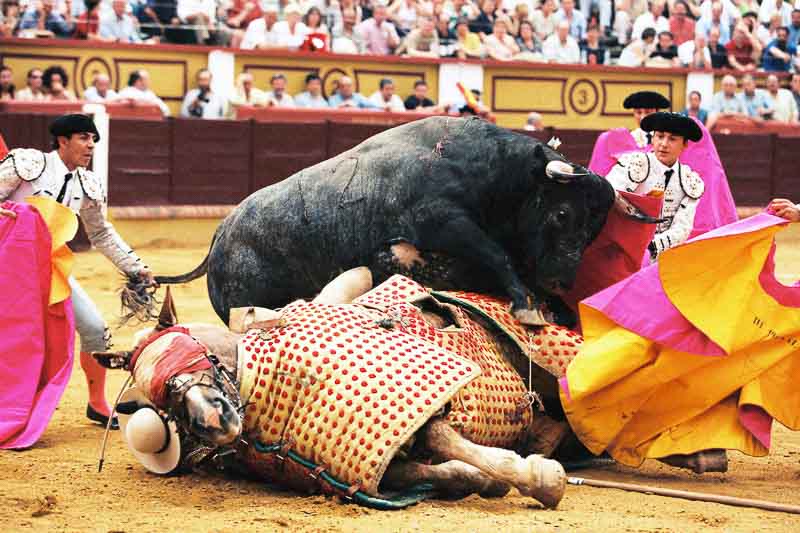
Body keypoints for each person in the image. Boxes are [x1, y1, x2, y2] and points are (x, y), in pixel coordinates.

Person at [0, 114, 155, 430]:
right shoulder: (28, 165)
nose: (91, 145)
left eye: (93, 139)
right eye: (84, 138)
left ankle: (97, 404)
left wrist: (136, 267)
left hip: (50, 268)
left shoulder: (88, 184)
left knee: (95, 328)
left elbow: (101, 234)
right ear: (63, 140)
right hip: (9, 269)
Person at [605, 112, 705, 260]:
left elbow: (682, 228)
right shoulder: (634, 165)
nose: (664, 144)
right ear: (652, 138)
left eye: (672, 139)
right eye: (660, 136)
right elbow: (607, 196)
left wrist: (651, 247)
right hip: (623, 250)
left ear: (684, 145)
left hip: (663, 255)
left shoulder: (689, 181)